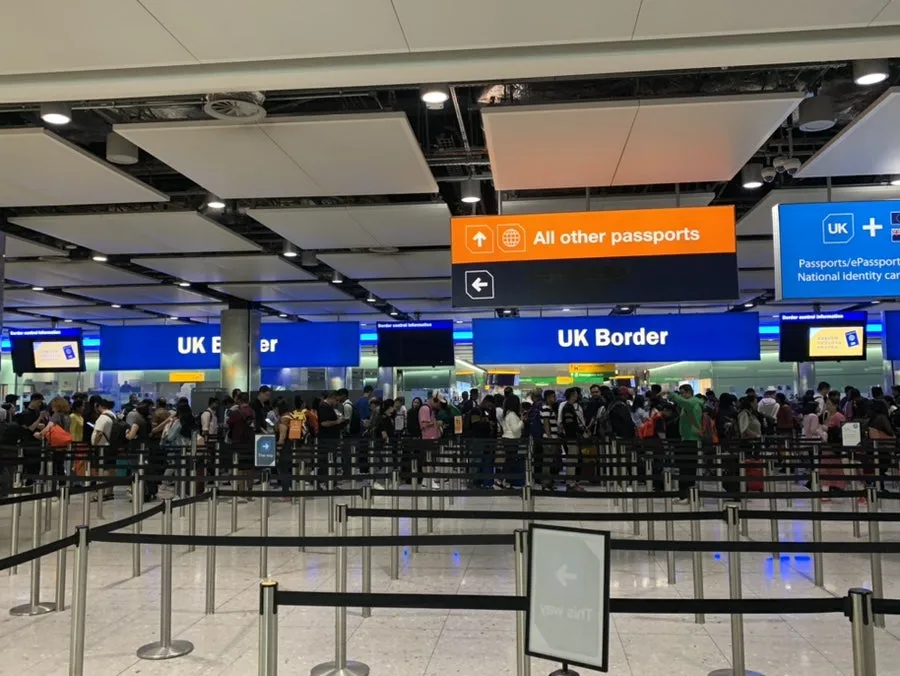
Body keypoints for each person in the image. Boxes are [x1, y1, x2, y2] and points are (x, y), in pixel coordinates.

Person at [665, 384, 705, 503]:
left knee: (688, 469)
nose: (681, 395)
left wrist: (670, 393)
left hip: (691, 440)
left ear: (688, 392)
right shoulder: (689, 404)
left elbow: (680, 400)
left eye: (682, 393)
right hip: (687, 439)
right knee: (684, 468)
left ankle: (687, 495)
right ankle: (683, 494)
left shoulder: (692, 402)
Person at [226, 393, 255, 500]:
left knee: (239, 468)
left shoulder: (236, 413)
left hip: (237, 442)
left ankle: (241, 491)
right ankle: (250, 491)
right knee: (250, 468)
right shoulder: (252, 411)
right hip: (250, 442)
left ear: (239, 401)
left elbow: (228, 424)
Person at [91, 399, 118, 501]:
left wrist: (94, 444)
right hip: (111, 446)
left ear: (99, 406)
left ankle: (102, 493)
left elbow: (99, 433)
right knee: (111, 469)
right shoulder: (112, 415)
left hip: (103, 447)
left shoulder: (102, 418)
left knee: (103, 470)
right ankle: (109, 492)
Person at [560, 388, 585, 492]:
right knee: (572, 460)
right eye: (575, 394)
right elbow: (569, 424)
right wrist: (577, 432)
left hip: (571, 437)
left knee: (573, 460)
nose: (577, 396)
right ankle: (571, 484)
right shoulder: (568, 408)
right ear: (572, 395)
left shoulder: (568, 407)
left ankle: (572, 482)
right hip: (571, 438)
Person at [316, 392, 344, 484]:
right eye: (336, 400)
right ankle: (327, 481)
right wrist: (337, 422)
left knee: (330, 460)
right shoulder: (324, 407)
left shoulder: (329, 407)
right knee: (327, 460)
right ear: (331, 397)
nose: (337, 402)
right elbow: (323, 423)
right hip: (327, 439)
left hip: (331, 438)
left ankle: (330, 480)